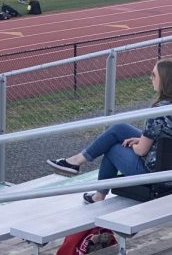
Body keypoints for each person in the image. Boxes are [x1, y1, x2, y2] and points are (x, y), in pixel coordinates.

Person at [47, 59, 172, 203]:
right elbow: (164, 135)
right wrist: (141, 139)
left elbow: (141, 151)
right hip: (166, 161)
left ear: (164, 80)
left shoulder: (159, 111)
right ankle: (77, 161)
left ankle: (97, 193)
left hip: (155, 173)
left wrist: (135, 145)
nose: (151, 78)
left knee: (112, 148)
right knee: (120, 129)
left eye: (154, 75)